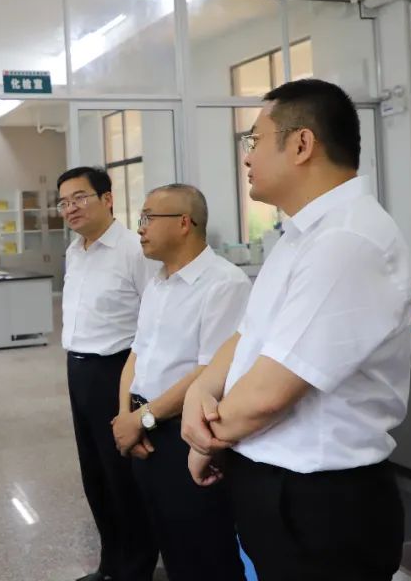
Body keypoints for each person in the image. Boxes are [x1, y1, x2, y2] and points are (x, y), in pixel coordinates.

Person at [180, 79, 411, 581]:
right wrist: (201, 390)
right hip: (278, 484)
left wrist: (204, 440)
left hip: (323, 502)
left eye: (255, 140)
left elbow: (269, 395)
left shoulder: (347, 240)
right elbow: (248, 335)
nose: (247, 156)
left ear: (302, 144)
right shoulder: (300, 235)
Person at [111, 184, 249, 581]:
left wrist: (142, 420)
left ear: (184, 223)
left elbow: (209, 373)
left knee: (203, 548)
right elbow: (136, 353)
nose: (140, 228)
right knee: (169, 541)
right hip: (144, 428)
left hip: (184, 435)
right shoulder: (157, 282)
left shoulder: (224, 284)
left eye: (148, 218)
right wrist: (125, 416)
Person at [57, 166, 159, 581]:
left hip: (117, 371)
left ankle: (136, 568)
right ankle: (110, 564)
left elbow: (155, 319)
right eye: (64, 202)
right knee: (94, 475)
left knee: (122, 477)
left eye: (80, 197)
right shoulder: (74, 251)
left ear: (107, 199)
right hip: (78, 369)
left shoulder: (134, 250)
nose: (71, 208)